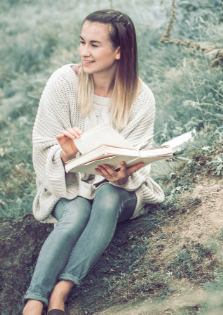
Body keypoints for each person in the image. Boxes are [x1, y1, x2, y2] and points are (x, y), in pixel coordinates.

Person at [22, 10, 164, 315]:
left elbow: (138, 160)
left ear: (118, 51)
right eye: (82, 42)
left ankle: (62, 291)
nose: (84, 52)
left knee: (108, 197)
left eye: (95, 45)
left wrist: (121, 178)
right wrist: (66, 152)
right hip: (69, 186)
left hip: (117, 192)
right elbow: (40, 148)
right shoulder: (63, 82)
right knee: (75, 213)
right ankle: (34, 302)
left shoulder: (141, 98)